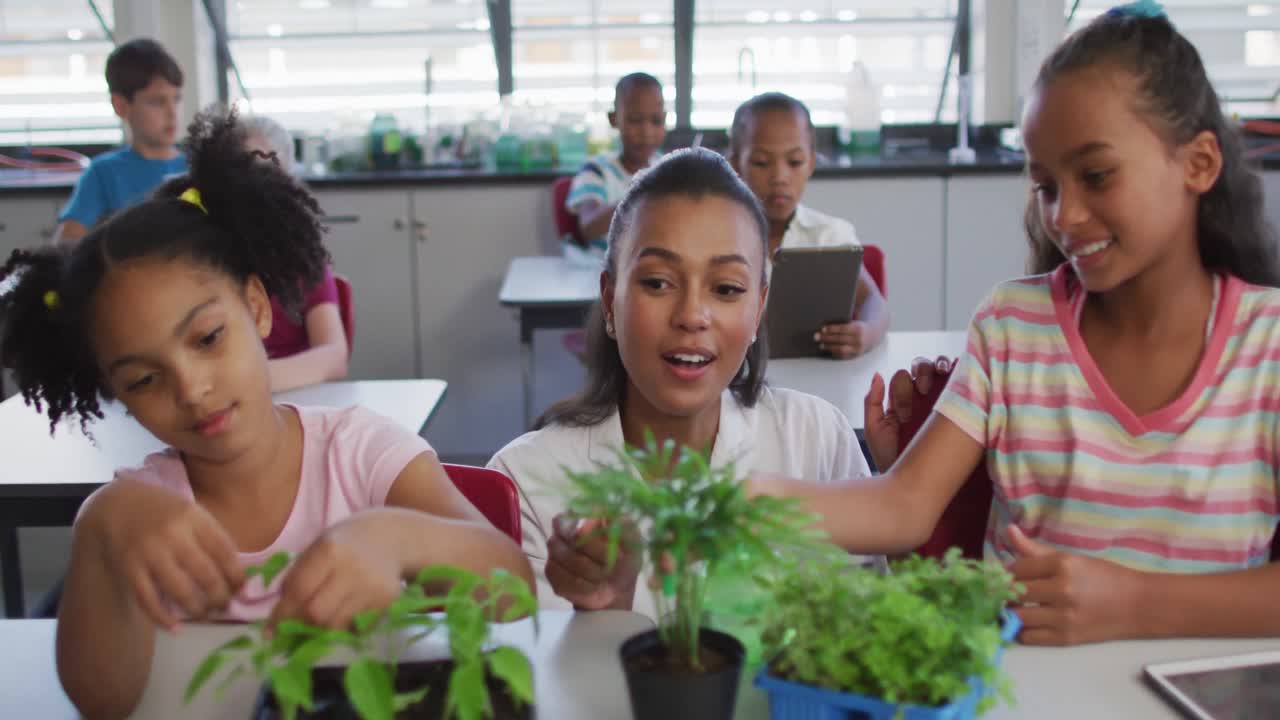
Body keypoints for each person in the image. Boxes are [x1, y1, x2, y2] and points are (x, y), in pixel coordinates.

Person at [753, 3, 1280, 646]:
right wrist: (738, 498)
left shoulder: (1268, 347)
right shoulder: (1013, 327)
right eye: (1047, 187)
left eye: (1096, 176)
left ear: (1199, 163)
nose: (1065, 215)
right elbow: (902, 506)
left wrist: (1133, 603)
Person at [0, 108, 532, 718]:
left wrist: (397, 539)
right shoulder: (138, 513)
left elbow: (512, 593)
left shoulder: (361, 452)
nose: (193, 389)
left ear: (256, 308)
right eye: (145, 379)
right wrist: (100, 535)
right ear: (114, 391)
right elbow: (103, 699)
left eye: (206, 339)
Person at [489, 148, 878, 618]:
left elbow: (871, 626)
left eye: (727, 288)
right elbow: (537, 681)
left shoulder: (816, 438)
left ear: (759, 308)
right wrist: (609, 609)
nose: (693, 316)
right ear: (610, 301)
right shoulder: (527, 482)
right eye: (657, 283)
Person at [728, 91, 889, 358]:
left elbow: (876, 303)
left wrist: (866, 333)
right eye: (761, 163)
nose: (779, 177)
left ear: (811, 162)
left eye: (794, 162)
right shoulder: (719, 237)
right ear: (735, 164)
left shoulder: (829, 235)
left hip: (818, 383)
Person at [242, 115, 349, 392]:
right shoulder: (199, 259)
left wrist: (247, 382)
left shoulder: (302, 257)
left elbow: (334, 357)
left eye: (270, 175)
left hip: (295, 404)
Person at [53, 38, 187, 248]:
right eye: (157, 102)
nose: (172, 114)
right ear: (121, 106)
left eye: (176, 99)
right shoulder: (103, 173)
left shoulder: (199, 166)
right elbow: (65, 246)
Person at [565, 72, 667, 255]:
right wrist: (642, 195)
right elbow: (588, 226)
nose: (646, 131)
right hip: (603, 272)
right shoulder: (596, 170)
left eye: (656, 121)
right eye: (635, 120)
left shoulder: (667, 168)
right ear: (614, 120)